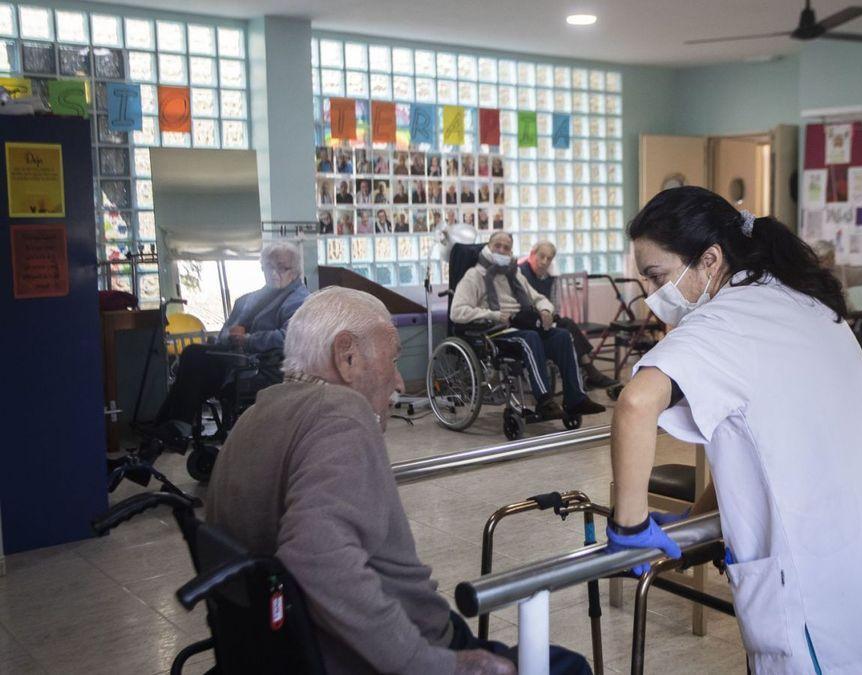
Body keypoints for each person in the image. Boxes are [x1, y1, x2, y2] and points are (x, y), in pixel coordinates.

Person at [604, 187, 862, 675]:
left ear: (709, 260)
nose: (649, 293)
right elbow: (767, 442)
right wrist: (696, 520)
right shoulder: (801, 301)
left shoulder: (722, 322)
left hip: (818, 587)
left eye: (657, 276)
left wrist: (630, 526)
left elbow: (636, 403)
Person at [207, 287, 589, 675]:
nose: (400, 383)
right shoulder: (340, 415)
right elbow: (314, 554)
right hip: (386, 653)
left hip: (276, 649)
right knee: (569, 667)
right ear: (348, 356)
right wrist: (432, 665)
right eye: (392, 361)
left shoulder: (255, 416)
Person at [150, 241, 310, 446]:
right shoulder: (249, 299)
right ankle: (167, 430)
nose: (274, 273)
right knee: (191, 360)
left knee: (193, 357)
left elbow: (289, 337)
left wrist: (248, 340)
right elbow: (226, 331)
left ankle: (174, 428)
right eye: (268, 267)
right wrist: (232, 338)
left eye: (282, 267)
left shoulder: (300, 300)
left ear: (295, 271)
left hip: (261, 364)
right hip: (233, 357)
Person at [451, 232, 606, 419]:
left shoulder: (514, 274)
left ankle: (575, 399)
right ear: (488, 247)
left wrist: (546, 311)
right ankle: (544, 401)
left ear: (511, 251)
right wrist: (494, 314)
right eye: (497, 246)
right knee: (530, 338)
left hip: (521, 325)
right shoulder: (474, 275)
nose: (501, 250)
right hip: (494, 332)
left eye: (506, 247)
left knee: (563, 335)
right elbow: (457, 312)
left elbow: (538, 298)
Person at [519, 241, 620, 389]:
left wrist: (549, 315)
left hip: (546, 321)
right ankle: (589, 372)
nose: (545, 262)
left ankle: (586, 375)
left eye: (549, 258)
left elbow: (556, 305)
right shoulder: (520, 273)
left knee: (566, 325)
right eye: (542, 256)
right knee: (567, 326)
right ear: (532, 254)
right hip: (527, 322)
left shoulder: (551, 278)